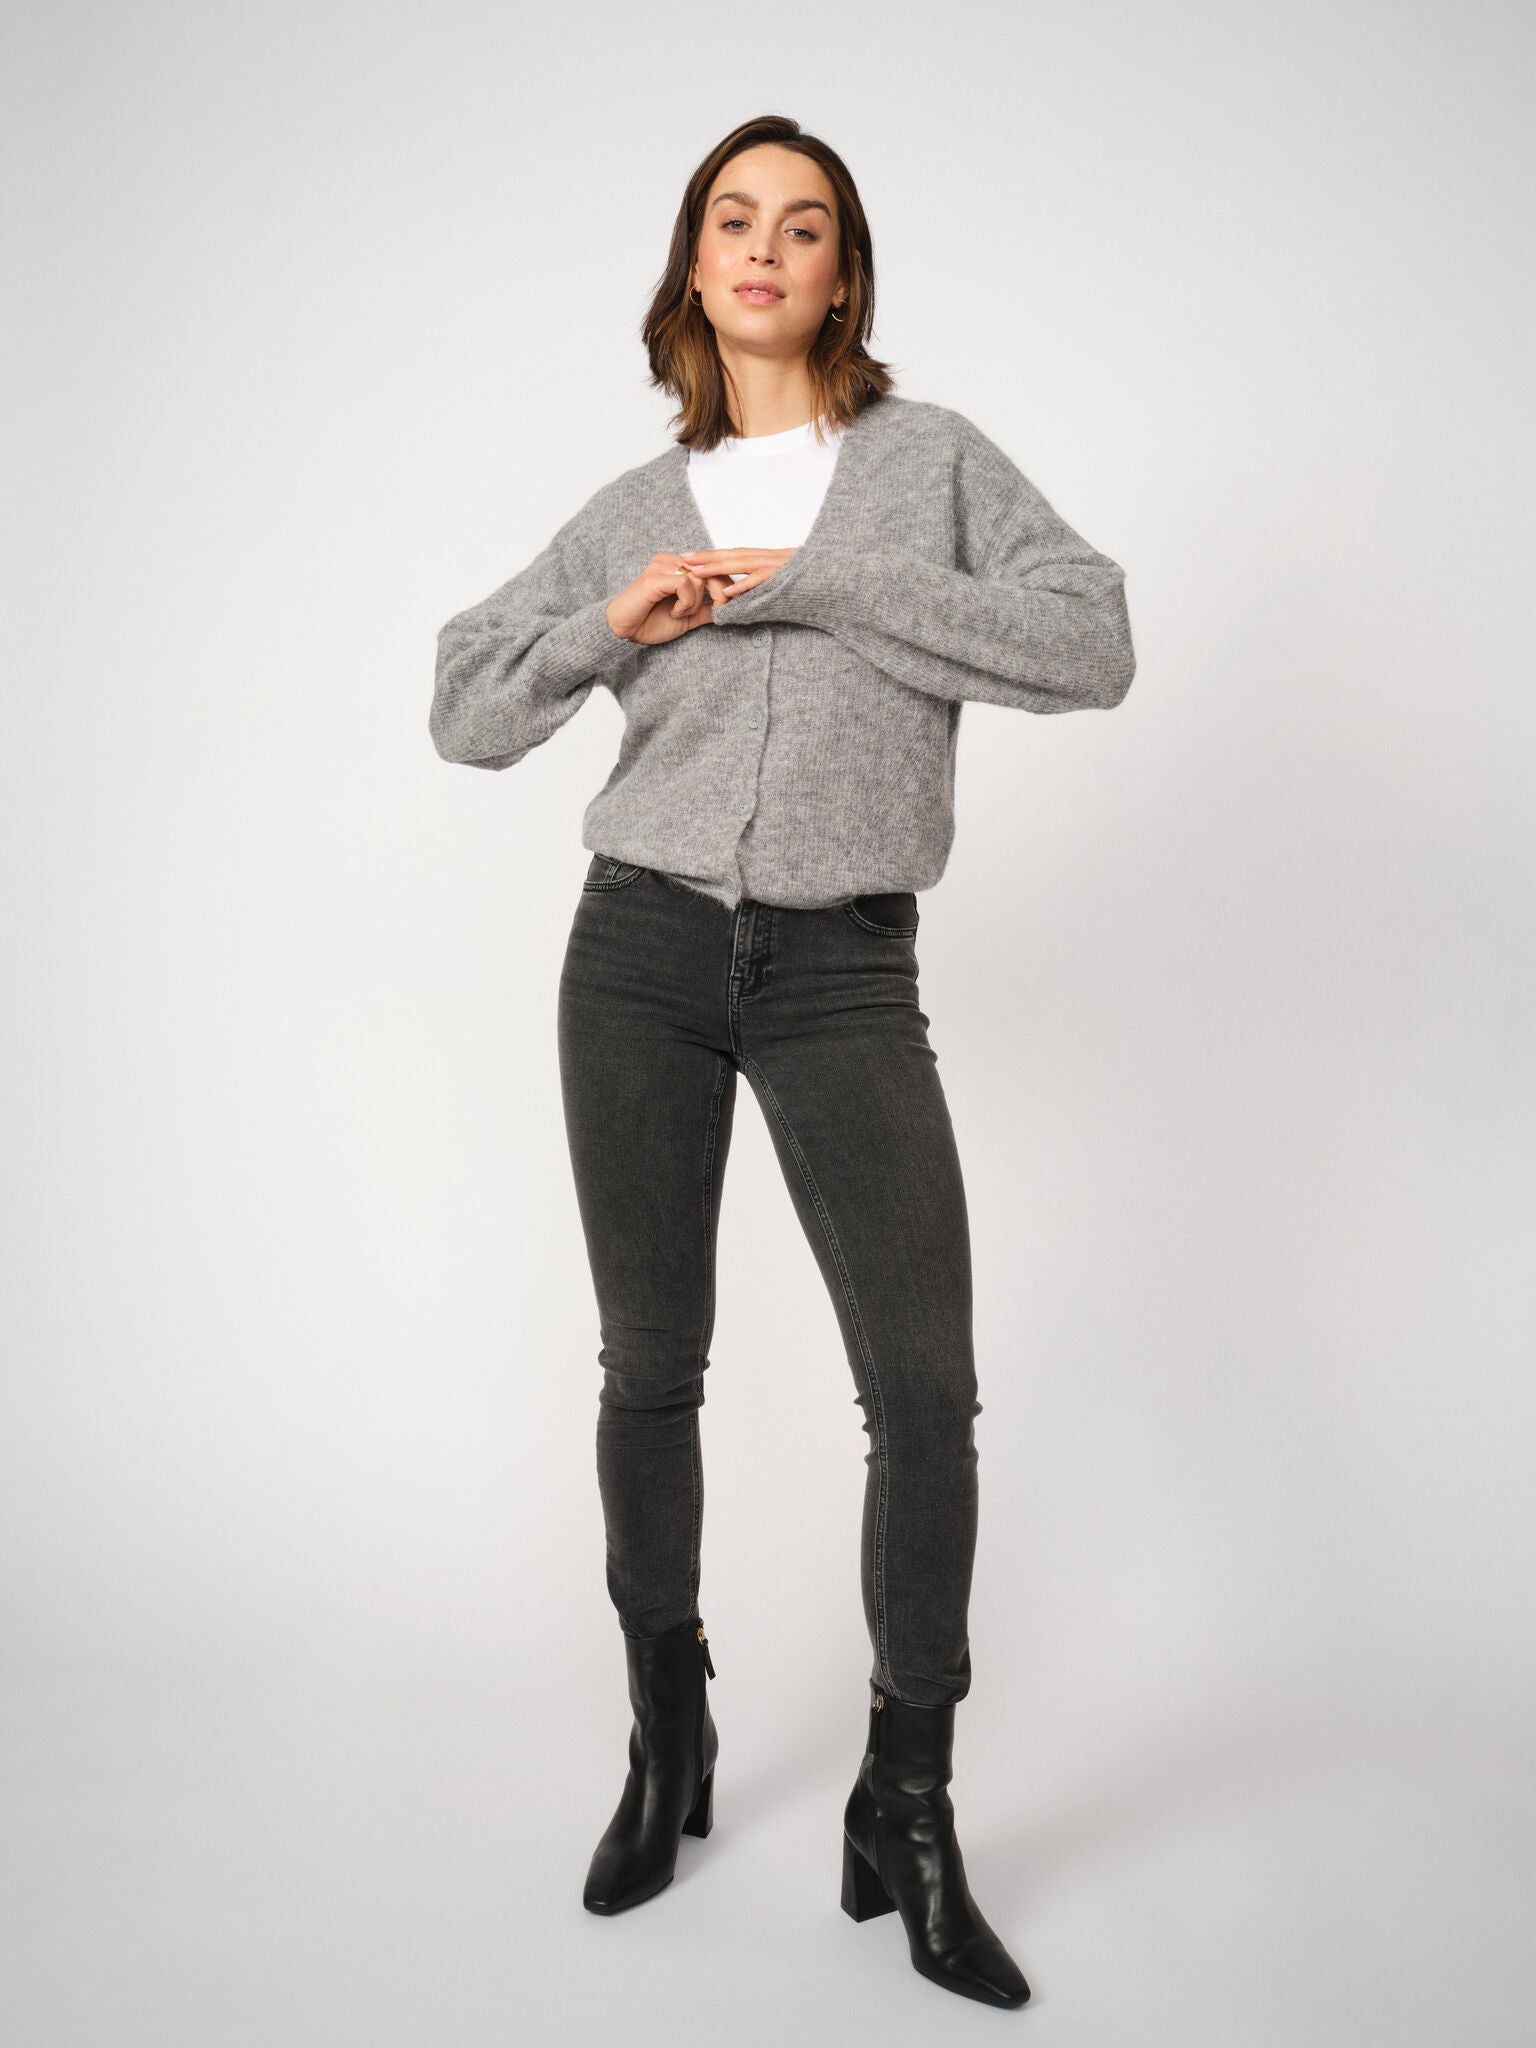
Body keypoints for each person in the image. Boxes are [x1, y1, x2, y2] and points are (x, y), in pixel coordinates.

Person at [429, 114, 1136, 2011]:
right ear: (693, 264)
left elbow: (1096, 642)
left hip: (842, 969)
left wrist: (825, 581)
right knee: (651, 1369)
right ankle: (673, 1734)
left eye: (802, 225)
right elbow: (461, 703)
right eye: (733, 221)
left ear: (844, 274)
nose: (765, 249)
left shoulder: (934, 466)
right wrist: (611, 618)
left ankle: (909, 1801)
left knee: (925, 1387)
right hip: (640, 953)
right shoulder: (632, 503)